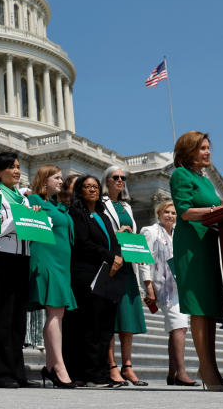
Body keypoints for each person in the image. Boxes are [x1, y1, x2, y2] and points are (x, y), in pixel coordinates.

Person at [170, 130, 223, 392]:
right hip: (191, 246)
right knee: (199, 308)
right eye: (202, 148)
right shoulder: (180, 175)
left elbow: (214, 208)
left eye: (209, 147)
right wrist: (221, 209)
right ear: (188, 151)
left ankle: (208, 366)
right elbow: (186, 212)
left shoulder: (206, 180)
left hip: (208, 243)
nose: (208, 152)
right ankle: (207, 370)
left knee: (209, 309)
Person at [0, 152, 36, 388]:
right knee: (2, 317)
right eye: (11, 167)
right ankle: (2, 374)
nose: (16, 171)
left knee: (18, 320)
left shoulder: (23, 200)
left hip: (22, 257)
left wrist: (37, 223)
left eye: (18, 167)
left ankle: (18, 372)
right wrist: (17, 221)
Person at [67, 174, 124, 388]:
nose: (93, 190)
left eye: (95, 187)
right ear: (80, 190)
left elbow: (114, 241)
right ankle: (89, 373)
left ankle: (101, 371)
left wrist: (117, 257)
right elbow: (83, 243)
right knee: (90, 326)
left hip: (107, 274)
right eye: (88, 187)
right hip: (87, 274)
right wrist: (111, 257)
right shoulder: (77, 213)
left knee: (106, 327)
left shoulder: (103, 215)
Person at [27, 165, 76, 389]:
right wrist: (31, 203)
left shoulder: (58, 205)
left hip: (62, 262)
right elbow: (27, 215)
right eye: (56, 177)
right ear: (44, 180)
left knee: (58, 314)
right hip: (47, 259)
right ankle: (59, 366)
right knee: (55, 312)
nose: (61, 181)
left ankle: (49, 366)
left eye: (61, 177)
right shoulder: (35, 200)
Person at [140, 201, 196, 386]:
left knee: (177, 328)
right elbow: (143, 259)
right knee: (179, 326)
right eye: (167, 212)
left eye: (173, 213)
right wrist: (148, 287)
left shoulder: (177, 234)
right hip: (161, 287)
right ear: (159, 213)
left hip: (178, 287)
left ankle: (172, 374)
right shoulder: (150, 231)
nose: (170, 216)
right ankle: (181, 372)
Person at [100, 165, 147, 385]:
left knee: (127, 318)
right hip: (111, 264)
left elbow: (134, 233)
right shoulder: (102, 204)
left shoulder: (126, 206)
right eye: (115, 177)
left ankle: (128, 366)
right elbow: (100, 230)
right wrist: (116, 233)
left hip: (128, 265)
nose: (120, 180)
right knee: (111, 317)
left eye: (122, 178)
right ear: (106, 181)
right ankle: (111, 365)